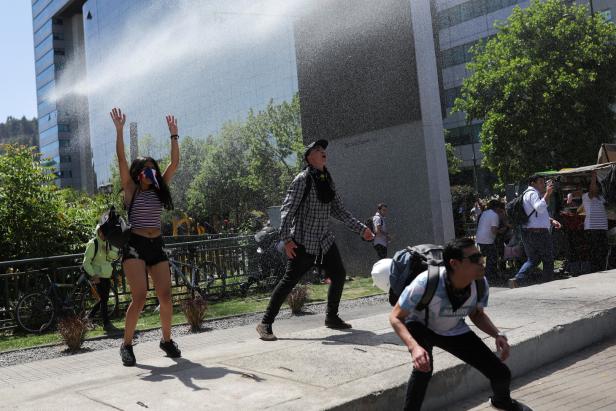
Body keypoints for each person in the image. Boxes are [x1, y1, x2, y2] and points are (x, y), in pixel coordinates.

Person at [389, 238, 531, 411]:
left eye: (481, 256)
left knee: (500, 373)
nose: (481, 263)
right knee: (423, 370)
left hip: (453, 330)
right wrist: (414, 348)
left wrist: (497, 334)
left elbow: (477, 314)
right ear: (454, 263)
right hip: (421, 326)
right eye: (474, 259)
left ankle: (501, 402)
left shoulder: (480, 284)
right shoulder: (426, 281)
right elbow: (395, 317)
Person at [256, 139, 375, 341]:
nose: (323, 152)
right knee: (289, 281)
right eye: (318, 150)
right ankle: (265, 324)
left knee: (338, 273)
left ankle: (331, 317)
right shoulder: (302, 179)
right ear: (309, 157)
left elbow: (339, 210)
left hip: (324, 240)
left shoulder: (327, 179)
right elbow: (287, 210)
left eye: (323, 150)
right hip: (303, 242)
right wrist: (286, 240)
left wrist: (361, 229)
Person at [111, 107, 181, 366]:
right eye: (146, 167)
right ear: (138, 172)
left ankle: (166, 340)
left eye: (153, 167)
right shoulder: (131, 189)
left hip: (157, 245)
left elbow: (174, 164)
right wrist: (119, 130)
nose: (151, 171)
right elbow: (120, 160)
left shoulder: (159, 189)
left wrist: (174, 136)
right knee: (139, 297)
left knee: (165, 296)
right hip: (136, 246)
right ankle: (126, 345)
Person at [508, 175, 561, 288]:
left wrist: (550, 221)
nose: (543, 184)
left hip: (529, 232)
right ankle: (548, 283)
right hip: (538, 233)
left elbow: (535, 215)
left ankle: (517, 279)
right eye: (541, 182)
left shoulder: (527, 194)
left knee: (533, 259)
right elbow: (540, 208)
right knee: (548, 258)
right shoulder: (532, 193)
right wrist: (548, 193)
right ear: (533, 183)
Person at [82, 214, 120, 330]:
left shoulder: (109, 242)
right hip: (97, 275)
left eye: (105, 234)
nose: (103, 235)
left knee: (104, 299)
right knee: (103, 299)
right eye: (102, 233)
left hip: (106, 274)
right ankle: (106, 324)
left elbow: (115, 256)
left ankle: (88, 317)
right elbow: (86, 262)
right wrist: (93, 275)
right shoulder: (93, 243)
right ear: (98, 231)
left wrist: (108, 251)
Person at [582, 171, 609, 272]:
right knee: (594, 251)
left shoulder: (601, 198)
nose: (597, 187)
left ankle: (601, 269)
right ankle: (594, 270)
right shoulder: (586, 196)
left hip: (602, 228)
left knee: (602, 250)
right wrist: (594, 175)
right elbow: (592, 190)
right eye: (595, 186)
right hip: (592, 228)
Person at [475, 200, 506, 281]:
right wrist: (501, 231)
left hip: (480, 238)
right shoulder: (494, 215)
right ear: (497, 208)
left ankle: (487, 274)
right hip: (487, 240)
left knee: (488, 257)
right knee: (492, 258)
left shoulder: (485, 213)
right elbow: (493, 230)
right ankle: (490, 276)